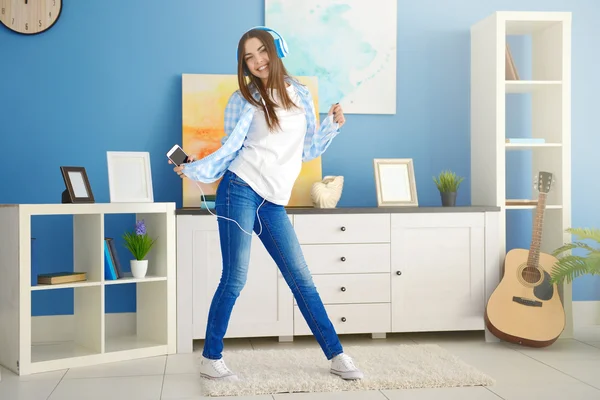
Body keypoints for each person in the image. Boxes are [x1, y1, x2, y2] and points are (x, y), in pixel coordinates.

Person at [172, 26, 363, 382]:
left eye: (262, 52)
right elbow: (230, 148)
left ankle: (337, 354)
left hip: (273, 200)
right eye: (249, 57)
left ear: (276, 51)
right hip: (239, 189)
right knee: (235, 277)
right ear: (244, 64)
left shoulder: (301, 95)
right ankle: (211, 358)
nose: (257, 61)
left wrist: (332, 126)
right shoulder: (244, 98)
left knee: (301, 279)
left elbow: (306, 150)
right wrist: (195, 169)